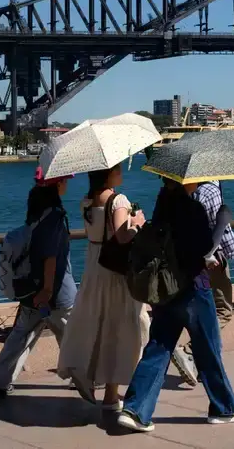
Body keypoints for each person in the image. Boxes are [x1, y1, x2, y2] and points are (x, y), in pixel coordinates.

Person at [116, 178, 234, 433]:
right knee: (208, 348)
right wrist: (213, 254)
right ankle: (225, 408)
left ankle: (135, 409)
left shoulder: (163, 202)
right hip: (193, 288)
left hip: (166, 288)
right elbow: (202, 249)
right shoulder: (194, 208)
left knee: (159, 347)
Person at [56, 164, 149, 411]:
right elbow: (122, 236)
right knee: (121, 326)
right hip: (116, 272)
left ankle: (96, 381)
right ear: (108, 174)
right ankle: (112, 393)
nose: (121, 173)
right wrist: (137, 221)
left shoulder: (87, 201)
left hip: (94, 267)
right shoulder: (118, 200)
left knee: (97, 323)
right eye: (117, 169)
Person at [0, 168, 76, 396]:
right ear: (58, 185)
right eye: (65, 180)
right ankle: (85, 378)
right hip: (55, 291)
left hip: (31, 287)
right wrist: (46, 289)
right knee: (73, 335)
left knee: (22, 334)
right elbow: (50, 256)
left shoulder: (36, 206)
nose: (67, 184)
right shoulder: (54, 215)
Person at [170, 180, 234, 386]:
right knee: (222, 311)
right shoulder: (210, 190)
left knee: (199, 308)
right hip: (213, 258)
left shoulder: (187, 187)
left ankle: (201, 363)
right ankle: (189, 351)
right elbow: (222, 229)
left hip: (188, 258)